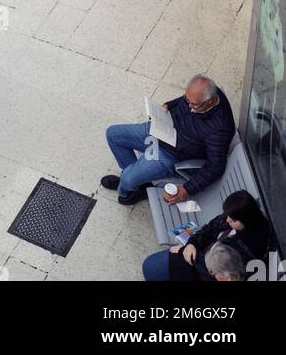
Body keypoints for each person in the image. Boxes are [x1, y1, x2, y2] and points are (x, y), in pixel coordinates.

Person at [102, 74, 235, 207]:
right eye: (187, 100)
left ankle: (127, 192)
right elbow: (184, 100)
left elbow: (215, 167)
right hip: (164, 129)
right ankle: (138, 185)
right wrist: (169, 105)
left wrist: (187, 190)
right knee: (113, 135)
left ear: (210, 102)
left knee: (127, 178)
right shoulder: (203, 93)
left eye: (193, 105)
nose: (189, 106)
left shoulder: (220, 129)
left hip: (172, 153)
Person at [142, 188, 269, 283]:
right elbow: (210, 228)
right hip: (200, 256)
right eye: (228, 216)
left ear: (246, 221)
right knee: (150, 266)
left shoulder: (251, 245)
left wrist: (182, 250)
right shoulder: (237, 214)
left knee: (151, 268)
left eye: (233, 220)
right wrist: (192, 243)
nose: (227, 221)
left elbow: (217, 269)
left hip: (209, 272)